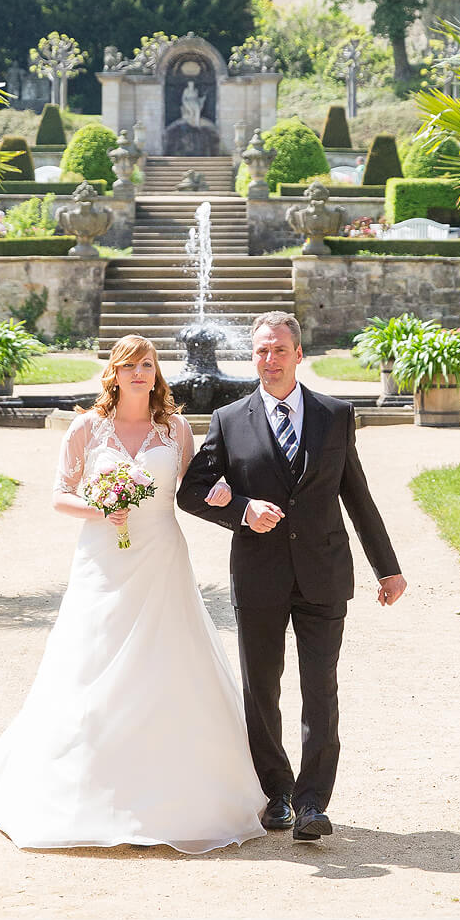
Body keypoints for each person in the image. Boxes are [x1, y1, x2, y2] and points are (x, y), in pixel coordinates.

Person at [0, 336, 265, 853]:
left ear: (157, 374)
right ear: (113, 373)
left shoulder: (175, 429)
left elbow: (195, 487)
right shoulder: (87, 427)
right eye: (129, 365)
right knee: (90, 659)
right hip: (102, 560)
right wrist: (100, 509)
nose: (139, 373)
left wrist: (224, 493)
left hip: (159, 555)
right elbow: (60, 496)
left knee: (168, 660)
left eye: (147, 364)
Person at [177, 311, 407, 842]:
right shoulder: (229, 419)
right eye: (261, 350)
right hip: (259, 576)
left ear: (299, 355)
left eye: (280, 350)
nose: (270, 359)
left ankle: (312, 803)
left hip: (324, 574)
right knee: (261, 691)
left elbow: (358, 496)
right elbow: (192, 492)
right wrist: (240, 509)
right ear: (252, 356)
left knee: (320, 691)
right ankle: (276, 795)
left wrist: (387, 568)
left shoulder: (335, 414)